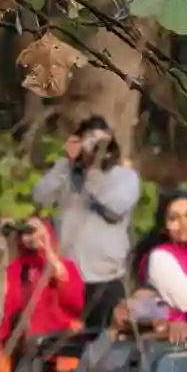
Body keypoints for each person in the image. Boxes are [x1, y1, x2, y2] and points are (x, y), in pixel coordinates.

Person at [31, 115, 141, 330]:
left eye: (102, 142)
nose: (96, 148)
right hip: (68, 279)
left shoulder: (124, 177)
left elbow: (113, 209)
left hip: (106, 279)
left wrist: (93, 173)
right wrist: (67, 164)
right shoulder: (66, 172)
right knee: (68, 349)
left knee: (107, 348)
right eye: (90, 141)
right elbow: (40, 196)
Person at [0, 218, 86, 372]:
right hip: (26, 345)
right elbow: (8, 306)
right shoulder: (16, 268)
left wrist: (47, 250)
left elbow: (74, 302)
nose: (29, 238)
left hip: (58, 341)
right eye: (25, 233)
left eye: (33, 232)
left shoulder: (63, 265)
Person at [126, 190, 187, 333]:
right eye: (174, 218)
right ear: (164, 225)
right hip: (174, 343)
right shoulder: (159, 257)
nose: (183, 223)